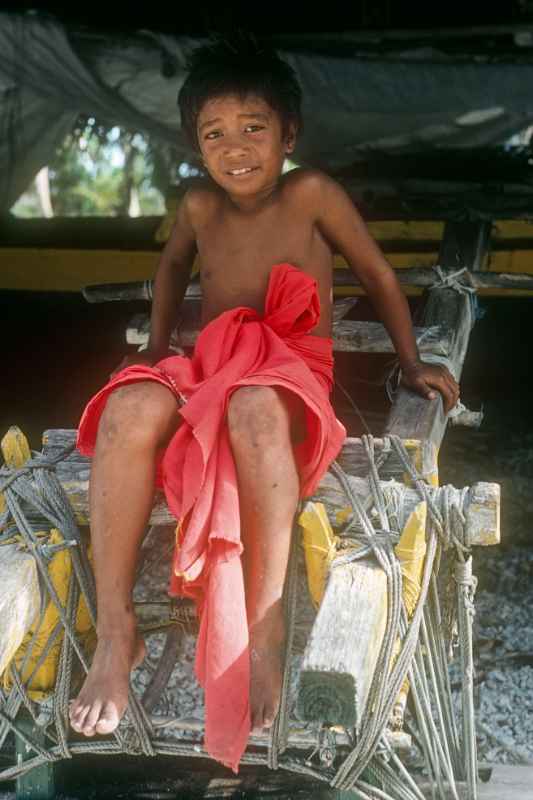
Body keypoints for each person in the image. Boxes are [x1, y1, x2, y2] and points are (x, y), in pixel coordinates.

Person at [68, 34, 459, 770]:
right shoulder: (196, 203)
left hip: (286, 367)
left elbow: (375, 273)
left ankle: (265, 626)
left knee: (250, 408)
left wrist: (411, 362)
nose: (234, 147)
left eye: (253, 128)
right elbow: (171, 266)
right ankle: (116, 630)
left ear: (288, 134)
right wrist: (156, 347)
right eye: (214, 133)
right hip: (213, 356)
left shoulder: (311, 192)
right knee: (126, 409)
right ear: (195, 144)